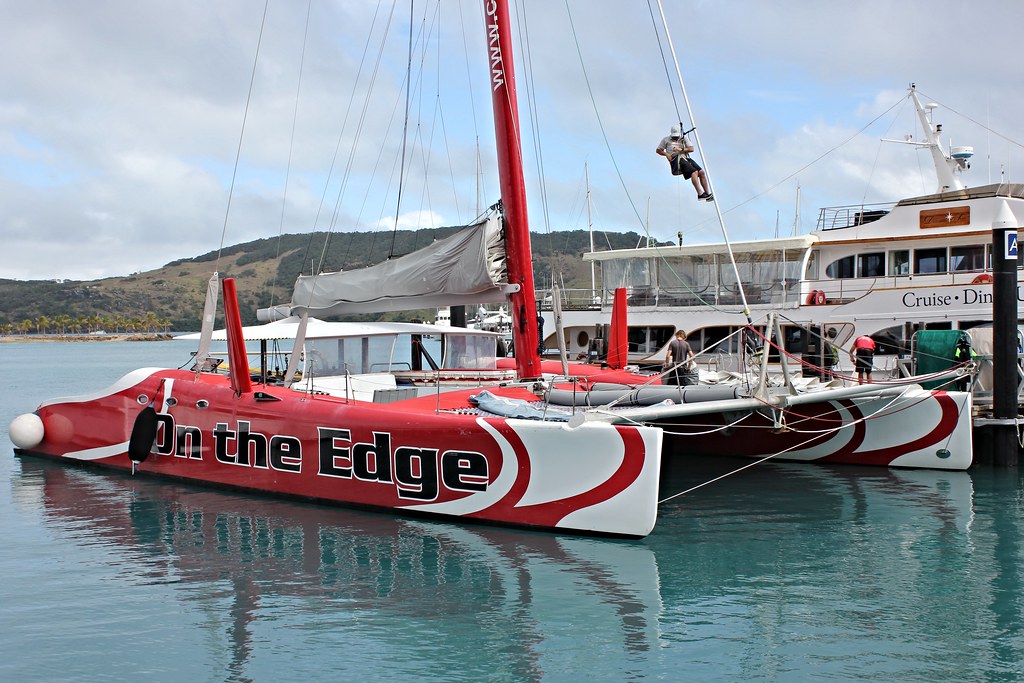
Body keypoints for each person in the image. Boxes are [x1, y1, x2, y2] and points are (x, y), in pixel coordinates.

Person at [656, 124, 713, 201]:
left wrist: (681, 149)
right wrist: (666, 154)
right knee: (694, 172)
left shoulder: (683, 138)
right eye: (674, 137)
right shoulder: (665, 140)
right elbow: (658, 150)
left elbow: (691, 149)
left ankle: (707, 194)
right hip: (675, 160)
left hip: (684, 157)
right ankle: (700, 194)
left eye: (676, 137)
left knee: (701, 172)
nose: (675, 138)